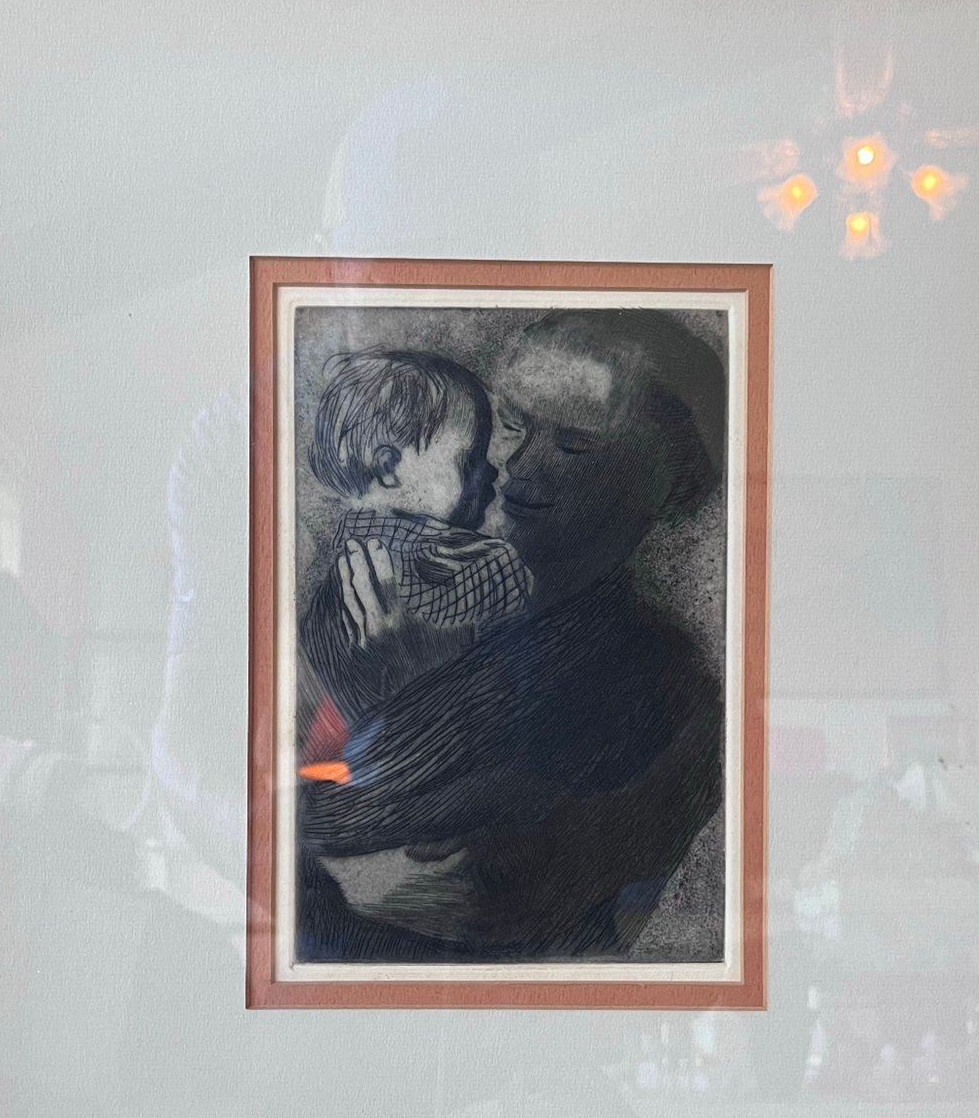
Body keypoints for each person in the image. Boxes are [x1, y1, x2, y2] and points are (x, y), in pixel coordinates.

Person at [298, 309, 726, 964]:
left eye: (575, 444)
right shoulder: (413, 583)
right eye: (512, 424)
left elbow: (445, 892)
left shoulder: (655, 680)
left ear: (662, 485)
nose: (518, 465)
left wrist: (389, 697)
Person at [298, 349, 531, 737]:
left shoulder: (333, 576)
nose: (491, 470)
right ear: (389, 468)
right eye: (470, 459)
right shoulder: (483, 567)